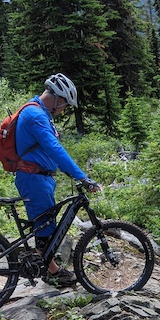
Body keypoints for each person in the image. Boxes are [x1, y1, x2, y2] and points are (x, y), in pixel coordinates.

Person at [14, 73, 101, 286]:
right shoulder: (36, 115)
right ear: (58, 99)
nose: (64, 110)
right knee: (44, 227)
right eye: (65, 106)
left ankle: (48, 268)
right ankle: (51, 272)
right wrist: (82, 177)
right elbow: (54, 149)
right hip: (34, 179)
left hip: (39, 178)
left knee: (46, 224)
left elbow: (49, 149)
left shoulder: (40, 112)